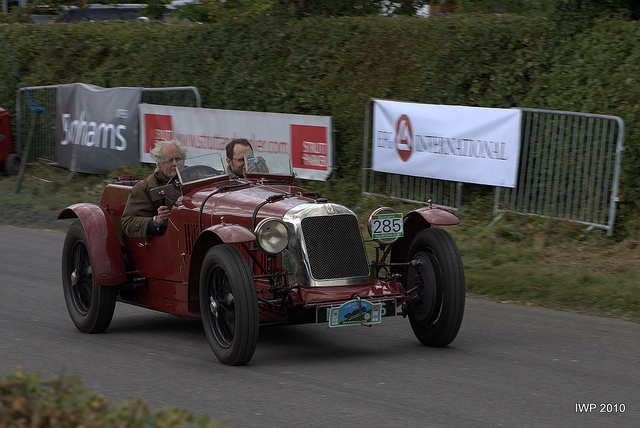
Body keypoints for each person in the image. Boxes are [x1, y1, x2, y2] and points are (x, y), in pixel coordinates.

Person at [121, 140, 187, 238]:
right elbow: (128, 223)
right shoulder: (144, 187)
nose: (175, 163)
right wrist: (156, 220)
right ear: (160, 165)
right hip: (167, 241)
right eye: (169, 160)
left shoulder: (195, 178)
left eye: (178, 159)